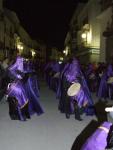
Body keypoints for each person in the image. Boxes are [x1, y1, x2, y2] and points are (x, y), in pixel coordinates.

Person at [7, 51, 44, 121]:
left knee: (22, 100)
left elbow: (25, 73)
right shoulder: (12, 68)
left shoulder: (20, 67)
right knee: (19, 100)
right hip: (14, 87)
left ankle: (23, 114)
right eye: (20, 60)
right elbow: (11, 72)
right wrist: (17, 76)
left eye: (22, 60)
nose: (21, 62)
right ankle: (20, 116)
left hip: (19, 85)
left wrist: (25, 75)